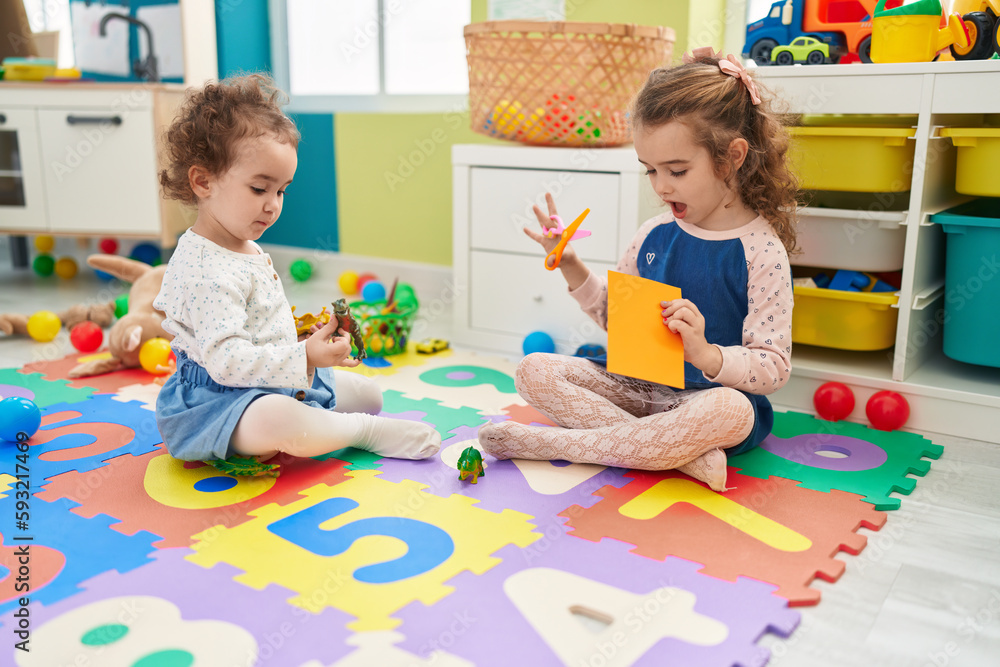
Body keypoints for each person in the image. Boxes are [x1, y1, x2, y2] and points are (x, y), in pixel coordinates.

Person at [478, 49, 799, 492]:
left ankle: (554, 444)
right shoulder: (652, 234)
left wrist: (707, 355)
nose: (661, 186)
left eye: (678, 170)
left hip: (709, 404)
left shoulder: (761, 251)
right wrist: (570, 265)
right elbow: (619, 322)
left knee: (733, 409)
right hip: (639, 393)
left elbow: (773, 367)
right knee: (534, 370)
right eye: (650, 170)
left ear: (732, 157)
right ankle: (684, 459)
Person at [154, 74, 440, 469]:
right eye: (259, 189)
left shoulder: (241, 243)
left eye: (282, 190)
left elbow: (258, 325)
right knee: (281, 420)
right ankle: (361, 432)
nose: (273, 205)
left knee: (370, 395)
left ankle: (325, 424)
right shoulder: (206, 272)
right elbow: (227, 363)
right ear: (203, 181)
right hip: (218, 401)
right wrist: (304, 354)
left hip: (271, 380)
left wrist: (306, 341)